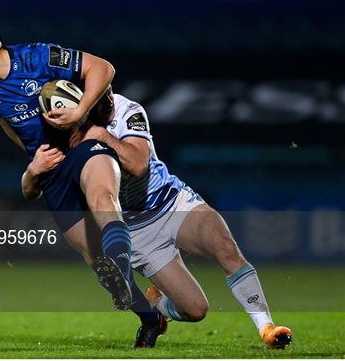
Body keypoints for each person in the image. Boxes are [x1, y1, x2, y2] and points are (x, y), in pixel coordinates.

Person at [22, 91, 293, 349]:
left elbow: (139, 164)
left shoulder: (128, 110)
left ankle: (267, 327)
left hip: (169, 201)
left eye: (106, 90)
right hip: (136, 232)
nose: (106, 98)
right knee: (195, 310)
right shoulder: (65, 133)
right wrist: (32, 172)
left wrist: (102, 136)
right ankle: (159, 305)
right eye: (96, 93)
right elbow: (31, 191)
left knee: (225, 246)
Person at [0, 10, 136, 311]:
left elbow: (103, 68)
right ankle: (150, 317)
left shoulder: (38, 57)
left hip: (80, 145)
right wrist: (32, 159)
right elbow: (6, 123)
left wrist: (80, 112)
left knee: (102, 198)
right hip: (51, 164)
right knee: (98, 262)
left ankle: (125, 263)